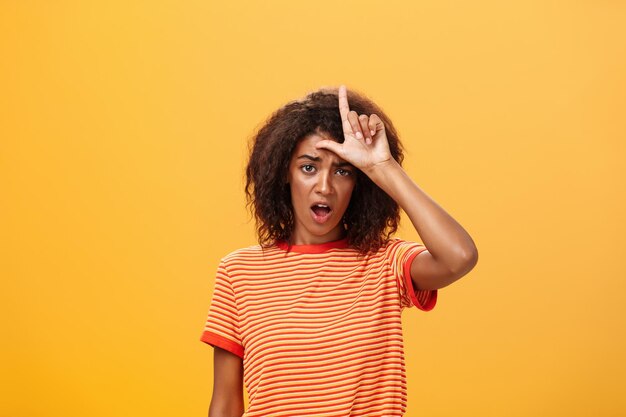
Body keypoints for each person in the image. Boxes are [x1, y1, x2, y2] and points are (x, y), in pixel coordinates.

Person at [200, 85, 478, 417]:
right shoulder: (238, 272)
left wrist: (382, 166)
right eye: (308, 167)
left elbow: (459, 256)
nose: (324, 187)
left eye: (343, 171)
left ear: (357, 183)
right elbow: (225, 404)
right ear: (283, 174)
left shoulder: (386, 262)